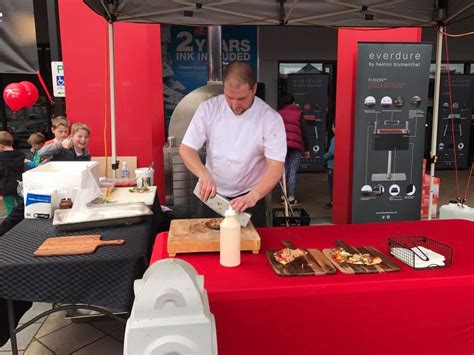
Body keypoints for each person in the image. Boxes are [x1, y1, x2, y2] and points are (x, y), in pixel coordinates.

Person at [179, 60, 287, 227]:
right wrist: (203, 173)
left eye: (241, 98)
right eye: (229, 97)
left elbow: (276, 166)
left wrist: (254, 195)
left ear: (254, 89)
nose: (235, 104)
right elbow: (187, 149)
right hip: (212, 196)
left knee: (250, 247)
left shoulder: (270, 118)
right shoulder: (208, 109)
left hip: (250, 199)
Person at [278, 94, 310, 205]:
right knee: (292, 171)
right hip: (296, 146)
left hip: (281, 146)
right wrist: (307, 149)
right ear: (293, 102)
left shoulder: (278, 113)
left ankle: (283, 196)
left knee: (283, 171)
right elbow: (304, 131)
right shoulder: (298, 113)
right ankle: (291, 197)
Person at [0, 131, 25, 215]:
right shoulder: (21, 154)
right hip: (19, 184)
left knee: (10, 207)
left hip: (5, 186)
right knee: (21, 205)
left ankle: (11, 225)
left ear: (0, 146)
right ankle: (22, 222)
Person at [323, 123, 335, 208]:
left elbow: (331, 152)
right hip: (340, 167)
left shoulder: (334, 139)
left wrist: (324, 157)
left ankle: (333, 202)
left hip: (332, 166)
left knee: (332, 186)